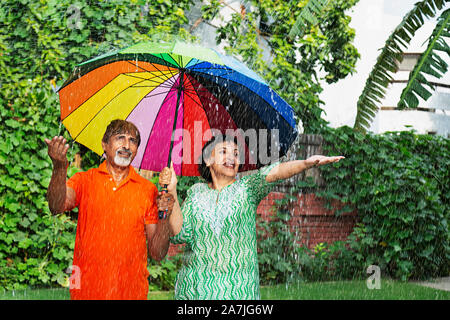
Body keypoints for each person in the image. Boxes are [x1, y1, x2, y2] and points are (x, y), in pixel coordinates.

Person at [166, 134, 344, 300]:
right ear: (207, 160)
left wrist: (306, 163)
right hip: (194, 292)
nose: (232, 158)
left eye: (236, 154)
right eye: (223, 152)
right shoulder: (196, 193)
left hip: (239, 291)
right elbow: (179, 234)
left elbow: (275, 172)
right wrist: (172, 190)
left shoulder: (248, 188)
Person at [44, 119, 179, 300]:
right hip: (87, 292)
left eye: (132, 141)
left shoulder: (148, 190)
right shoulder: (85, 180)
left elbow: (157, 253)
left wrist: (165, 215)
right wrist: (59, 168)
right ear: (104, 145)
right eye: (120, 138)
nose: (126, 145)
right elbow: (56, 205)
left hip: (132, 293)